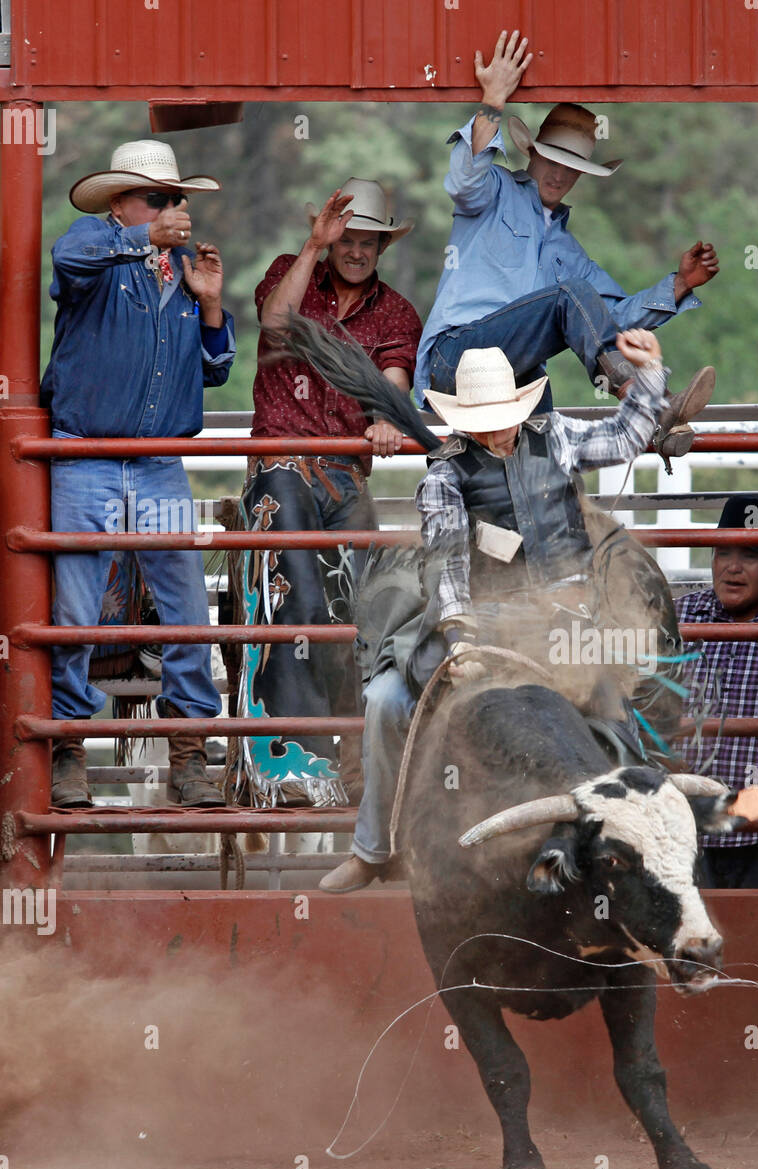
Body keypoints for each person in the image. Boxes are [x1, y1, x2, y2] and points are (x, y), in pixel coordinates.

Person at [318, 326, 675, 893]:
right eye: (479, 416)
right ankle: (375, 846)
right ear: (460, 419)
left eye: (500, 412)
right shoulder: (444, 477)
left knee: (618, 706)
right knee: (385, 700)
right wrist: (459, 638)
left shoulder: (554, 436)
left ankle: (643, 820)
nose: (493, 425)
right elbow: (448, 564)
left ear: (518, 405)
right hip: (482, 620)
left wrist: (650, 374)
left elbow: (622, 439)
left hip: (565, 624)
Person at [414, 29, 719, 460]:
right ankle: (647, 403)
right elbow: (464, 180)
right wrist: (494, 100)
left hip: (513, 376)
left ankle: (560, 495)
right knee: (570, 297)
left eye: (571, 168)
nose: (558, 175)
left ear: (581, 175)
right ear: (532, 154)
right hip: (455, 359)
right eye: (552, 161)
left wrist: (681, 284)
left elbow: (612, 320)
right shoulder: (495, 191)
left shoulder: (569, 253)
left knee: (543, 456)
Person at [42, 139, 236, 809]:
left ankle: (189, 756)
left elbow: (213, 370)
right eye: (158, 199)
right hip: (86, 454)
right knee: (73, 607)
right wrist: (145, 237)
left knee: (185, 605)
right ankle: (67, 748)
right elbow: (66, 262)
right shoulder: (92, 246)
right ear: (121, 203)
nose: (172, 210)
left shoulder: (182, 271)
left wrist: (210, 306)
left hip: (156, 460)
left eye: (175, 199)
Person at [239, 179, 423, 806]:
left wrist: (386, 420)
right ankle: (293, 761)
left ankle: (356, 762)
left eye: (369, 241)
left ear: (381, 247)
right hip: (281, 460)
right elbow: (274, 322)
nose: (357, 250)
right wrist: (311, 248)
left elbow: (393, 387)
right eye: (348, 238)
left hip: (345, 473)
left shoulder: (397, 313)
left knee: (365, 615)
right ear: (332, 235)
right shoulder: (290, 273)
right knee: (303, 603)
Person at [674, 495, 758, 889]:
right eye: (722, 552)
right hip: (682, 832)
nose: (732, 567)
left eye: (750, 554)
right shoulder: (676, 618)